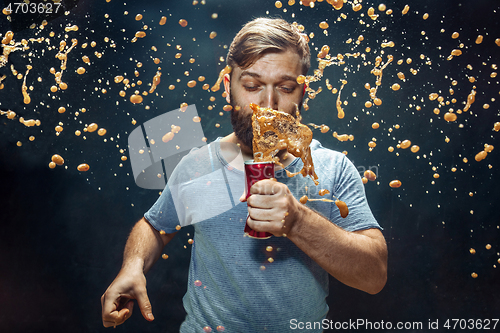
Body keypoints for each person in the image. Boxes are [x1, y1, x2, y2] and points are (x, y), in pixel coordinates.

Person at [101, 17, 387, 332]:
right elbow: (155, 227)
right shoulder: (198, 165)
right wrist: (132, 266)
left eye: (286, 87)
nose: (268, 103)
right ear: (229, 86)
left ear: (303, 92)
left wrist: (298, 221)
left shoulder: (332, 168)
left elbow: (373, 277)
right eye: (251, 85)